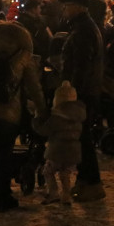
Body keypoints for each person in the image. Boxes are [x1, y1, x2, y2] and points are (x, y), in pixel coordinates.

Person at [0, 20, 46, 212]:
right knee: (4, 154)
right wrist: (41, 109)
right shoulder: (24, 57)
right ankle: (3, 195)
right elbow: (34, 87)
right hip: (8, 113)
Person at [59, 0, 105, 202]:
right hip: (87, 90)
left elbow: (82, 65)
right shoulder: (84, 27)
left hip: (82, 92)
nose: (64, 11)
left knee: (83, 138)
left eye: (67, 6)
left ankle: (93, 183)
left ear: (79, 7)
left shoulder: (83, 30)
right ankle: (86, 181)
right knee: (82, 137)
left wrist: (72, 90)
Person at [32, 79, 84, 207]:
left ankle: (53, 192)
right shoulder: (77, 118)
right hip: (73, 151)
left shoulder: (57, 117)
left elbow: (44, 130)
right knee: (65, 173)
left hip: (57, 150)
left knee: (48, 171)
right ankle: (66, 196)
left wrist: (36, 120)